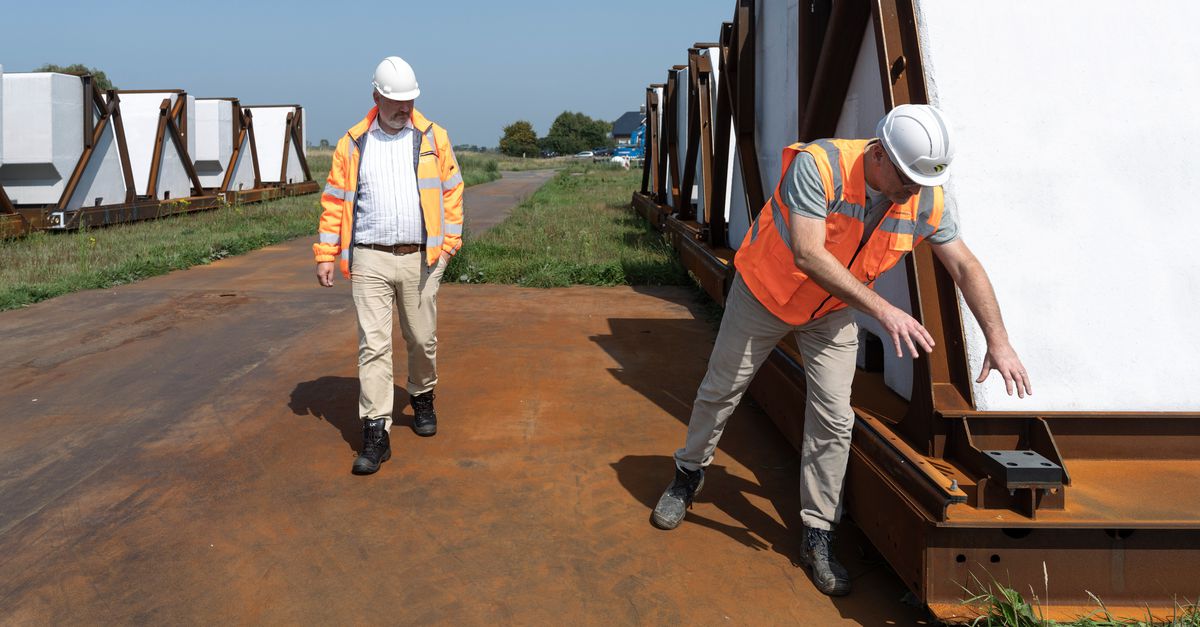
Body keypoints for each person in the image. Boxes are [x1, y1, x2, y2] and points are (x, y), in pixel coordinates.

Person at [650, 105, 1031, 596]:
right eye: (907, 179)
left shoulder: (926, 199)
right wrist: (884, 311)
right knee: (721, 390)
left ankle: (818, 531)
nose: (912, 192)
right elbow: (809, 253)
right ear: (879, 154)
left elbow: (965, 266)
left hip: (829, 311)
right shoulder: (820, 166)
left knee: (834, 416)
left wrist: (999, 341)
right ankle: (687, 474)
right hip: (764, 293)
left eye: (922, 182)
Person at [313, 56, 464, 476]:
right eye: (396, 101)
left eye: (410, 100)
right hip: (369, 257)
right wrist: (326, 253)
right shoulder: (352, 143)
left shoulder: (434, 137)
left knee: (421, 338)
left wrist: (448, 247)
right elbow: (334, 202)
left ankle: (422, 394)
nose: (405, 108)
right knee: (374, 346)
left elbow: (452, 192)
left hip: (421, 258)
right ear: (376, 96)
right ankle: (375, 432)